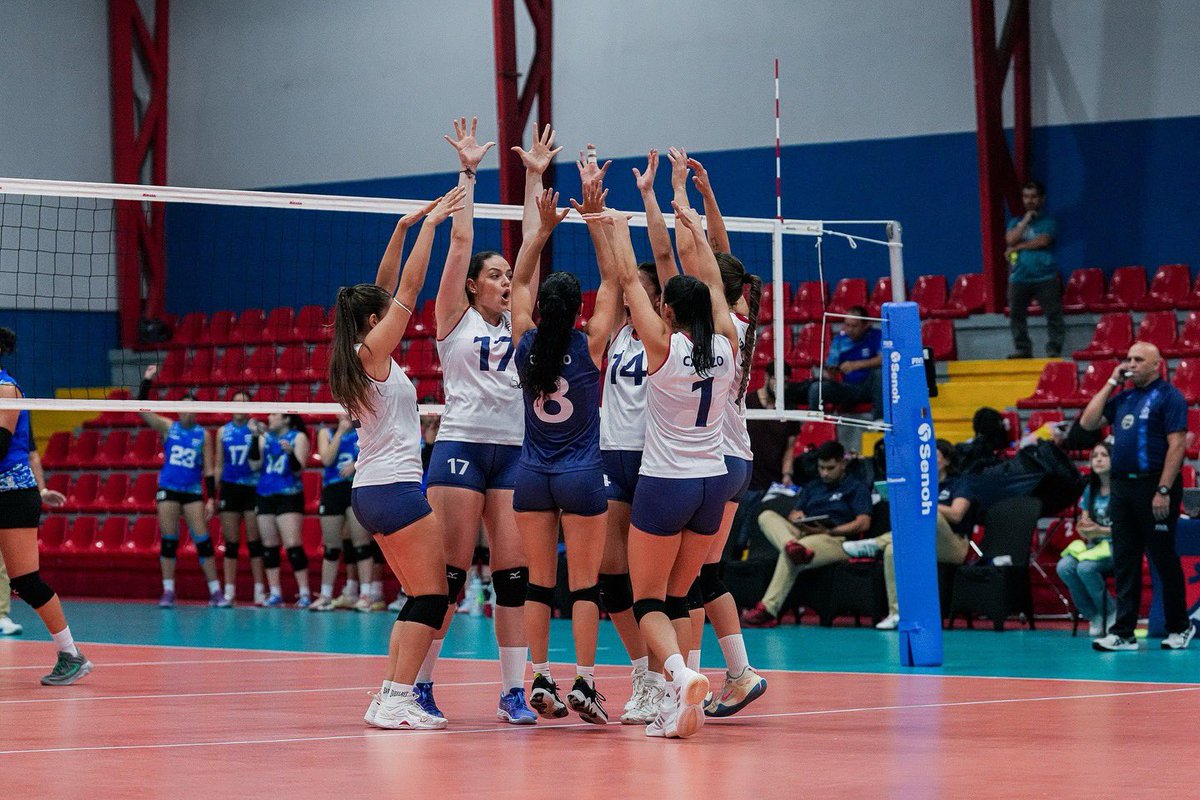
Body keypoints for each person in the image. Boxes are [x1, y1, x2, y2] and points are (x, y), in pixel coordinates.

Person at [331, 186, 463, 730]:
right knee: (434, 595)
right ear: (372, 324)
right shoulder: (371, 353)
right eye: (381, 316)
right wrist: (432, 225)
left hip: (375, 489)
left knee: (421, 593)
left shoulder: (354, 350)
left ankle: (390, 694)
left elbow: (383, 288)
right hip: (394, 489)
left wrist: (402, 229)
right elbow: (405, 288)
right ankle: (396, 698)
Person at [421, 117, 536, 725]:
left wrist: (536, 178)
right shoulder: (452, 320)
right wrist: (468, 172)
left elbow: (533, 251)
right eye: (493, 276)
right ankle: (419, 683)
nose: (502, 282)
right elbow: (460, 244)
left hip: (514, 453)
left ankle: (513, 690)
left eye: (506, 277)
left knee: (513, 577)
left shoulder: (521, 325)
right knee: (448, 573)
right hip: (462, 446)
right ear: (472, 287)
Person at [614, 198, 738, 740]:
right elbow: (711, 283)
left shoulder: (661, 350)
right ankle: (678, 703)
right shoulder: (730, 345)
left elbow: (628, 281)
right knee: (681, 596)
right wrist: (695, 230)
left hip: (667, 481)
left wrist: (612, 225)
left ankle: (679, 673)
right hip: (714, 481)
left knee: (647, 600)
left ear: (668, 311)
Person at [511, 180, 621, 725]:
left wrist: (542, 232)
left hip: (531, 474)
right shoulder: (591, 344)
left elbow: (518, 283)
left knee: (537, 581)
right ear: (577, 309)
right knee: (585, 584)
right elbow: (615, 282)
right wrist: (596, 219)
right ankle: (585, 683)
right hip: (581, 474)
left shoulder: (524, 343)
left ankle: (540, 677)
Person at [665, 149, 769, 718]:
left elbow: (700, 259)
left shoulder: (718, 328)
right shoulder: (739, 321)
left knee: (691, 577)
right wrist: (705, 198)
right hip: (737, 457)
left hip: (714, 459)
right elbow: (719, 259)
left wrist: (679, 197)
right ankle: (720, 674)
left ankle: (723, 673)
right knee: (704, 572)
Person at [596, 149, 676, 727]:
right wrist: (599, 214)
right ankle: (643, 672)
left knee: (658, 582)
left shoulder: (664, 332)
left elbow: (653, 265)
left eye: (643, 293)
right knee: (608, 576)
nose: (632, 296)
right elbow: (613, 275)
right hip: (610, 456)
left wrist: (640, 213)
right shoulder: (618, 333)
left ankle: (666, 676)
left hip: (653, 459)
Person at [1080, 342, 1194, 651]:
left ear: (1156, 365)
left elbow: (1177, 445)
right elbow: (1088, 422)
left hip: (1154, 485)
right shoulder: (1124, 397)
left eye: (1139, 360)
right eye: (1128, 358)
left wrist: (1164, 490)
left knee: (1163, 558)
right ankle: (1124, 633)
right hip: (1123, 487)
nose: (1131, 364)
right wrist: (1111, 380)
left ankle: (1179, 627)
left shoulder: (1169, 398)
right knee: (1124, 559)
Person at [0, 327, 91, 683]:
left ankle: (71, 654)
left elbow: (1, 446)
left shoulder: (6, 389)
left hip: (13, 494)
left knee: (25, 580)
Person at [842, 439, 973, 630]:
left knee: (930, 513)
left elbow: (956, 514)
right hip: (921, 544)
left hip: (953, 546)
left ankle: (876, 543)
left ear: (947, 461)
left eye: (933, 456)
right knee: (892, 551)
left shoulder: (959, 483)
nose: (926, 460)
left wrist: (923, 503)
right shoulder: (918, 487)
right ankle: (896, 614)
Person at [741, 440, 872, 628]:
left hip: (835, 539)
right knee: (766, 516)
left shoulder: (856, 487)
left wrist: (829, 530)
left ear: (842, 463)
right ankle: (790, 544)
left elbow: (863, 523)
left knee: (792, 554)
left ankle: (769, 609)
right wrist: (797, 517)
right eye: (821, 468)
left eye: (830, 468)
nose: (825, 473)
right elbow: (795, 513)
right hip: (804, 533)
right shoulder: (813, 487)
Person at [136, 367, 223, 608]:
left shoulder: (203, 435)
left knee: (203, 540)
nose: (186, 410)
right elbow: (141, 408)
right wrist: (146, 380)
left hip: (193, 491)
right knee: (169, 541)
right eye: (183, 405)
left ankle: (216, 592)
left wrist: (211, 498)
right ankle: (168, 591)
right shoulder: (168, 427)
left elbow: (208, 469)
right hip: (169, 489)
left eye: (191, 406)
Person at [730, 361, 799, 550]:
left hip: (771, 483)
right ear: (767, 378)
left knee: (758, 536)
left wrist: (787, 475)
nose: (781, 386)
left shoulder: (789, 408)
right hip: (746, 480)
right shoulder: (747, 403)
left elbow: (789, 448)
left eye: (785, 382)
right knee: (737, 537)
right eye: (777, 381)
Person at [311, 414, 373, 612]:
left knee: (361, 544)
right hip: (332, 490)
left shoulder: (364, 431)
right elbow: (327, 459)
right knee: (331, 546)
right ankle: (326, 595)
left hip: (357, 487)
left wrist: (355, 464)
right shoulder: (326, 432)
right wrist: (339, 432)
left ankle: (365, 595)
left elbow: (375, 455)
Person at [250, 413, 312, 608]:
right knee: (269, 545)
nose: (269, 417)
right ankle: (275, 592)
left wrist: (290, 453)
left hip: (289, 494)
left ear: (286, 418)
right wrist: (253, 437)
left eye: (274, 414)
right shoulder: (264, 437)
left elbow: (298, 469)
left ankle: (304, 593)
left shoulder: (298, 437)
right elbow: (254, 464)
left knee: (293, 544)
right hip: (265, 493)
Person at [1056, 441, 1116, 637]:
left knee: (1085, 568)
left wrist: (1099, 530)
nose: (1098, 459)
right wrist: (1086, 529)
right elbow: (1083, 526)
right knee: (1064, 567)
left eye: (1103, 455)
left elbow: (1126, 530)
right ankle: (1093, 614)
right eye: (1094, 456)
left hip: (1116, 547)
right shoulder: (1090, 490)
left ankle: (1111, 610)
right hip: (1094, 546)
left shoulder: (1122, 490)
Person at [214, 391, 266, 605]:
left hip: (252, 488)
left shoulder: (257, 430)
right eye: (236, 403)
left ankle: (259, 590)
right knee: (231, 543)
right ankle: (229, 592)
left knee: (255, 543)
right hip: (229, 489)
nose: (239, 406)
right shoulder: (222, 432)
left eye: (243, 403)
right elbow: (218, 464)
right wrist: (214, 495)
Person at [1005, 180, 1063, 359]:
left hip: (1045, 277)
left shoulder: (1048, 221)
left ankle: (1054, 349)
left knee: (1053, 315)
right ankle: (1023, 349)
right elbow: (1010, 240)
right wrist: (1025, 221)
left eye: (1033, 197)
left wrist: (1019, 247)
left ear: (1041, 198)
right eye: (1026, 197)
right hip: (1019, 278)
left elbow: (1043, 241)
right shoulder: (1016, 222)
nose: (1029, 200)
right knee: (1016, 315)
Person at [800, 306, 882, 418]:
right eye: (847, 325)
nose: (849, 329)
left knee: (880, 373)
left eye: (854, 326)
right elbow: (831, 367)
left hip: (869, 386)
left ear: (865, 325)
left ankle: (879, 421)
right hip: (848, 388)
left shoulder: (876, 335)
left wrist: (856, 365)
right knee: (817, 388)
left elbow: (883, 359)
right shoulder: (839, 341)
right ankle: (815, 426)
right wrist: (831, 372)